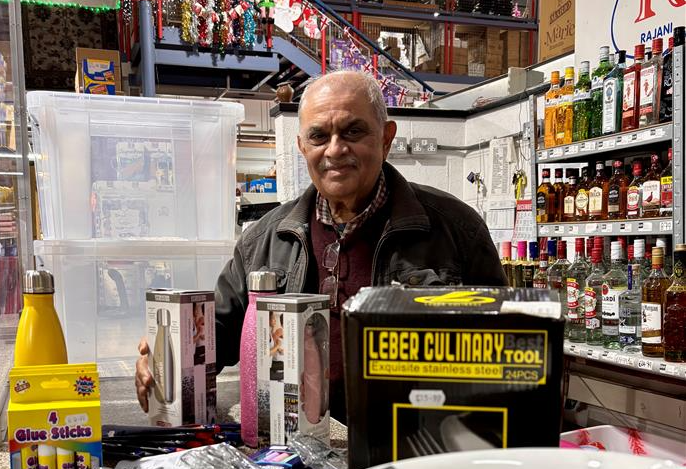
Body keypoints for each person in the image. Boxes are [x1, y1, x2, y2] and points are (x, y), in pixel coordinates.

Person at [136, 70, 506, 422]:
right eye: (318, 136)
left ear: (386, 137)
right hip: (295, 443)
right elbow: (221, 328)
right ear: (301, 146)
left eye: (353, 131)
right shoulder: (264, 238)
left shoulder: (455, 229)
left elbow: (505, 350)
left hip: (408, 443)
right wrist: (169, 353)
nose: (335, 149)